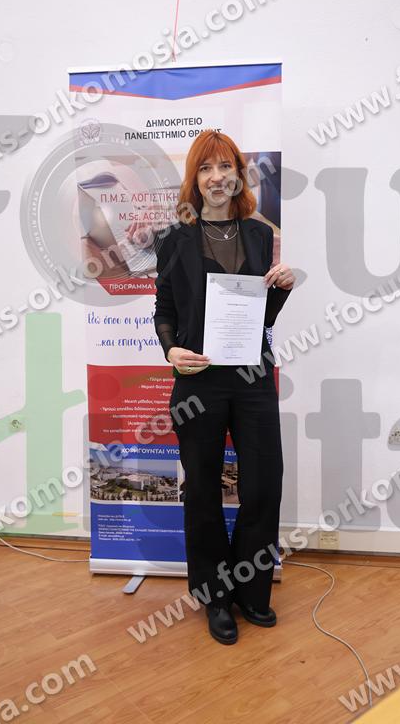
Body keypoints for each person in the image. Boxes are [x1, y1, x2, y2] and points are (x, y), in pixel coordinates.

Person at [153, 130, 295, 644]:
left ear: (239, 174)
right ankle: (215, 597)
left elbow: (260, 317)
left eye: (225, 167)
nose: (217, 177)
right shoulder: (173, 239)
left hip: (252, 378)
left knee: (263, 485)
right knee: (202, 490)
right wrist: (171, 350)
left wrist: (281, 290)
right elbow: (165, 309)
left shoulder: (258, 235)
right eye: (206, 168)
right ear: (195, 179)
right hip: (198, 382)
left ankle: (251, 591)